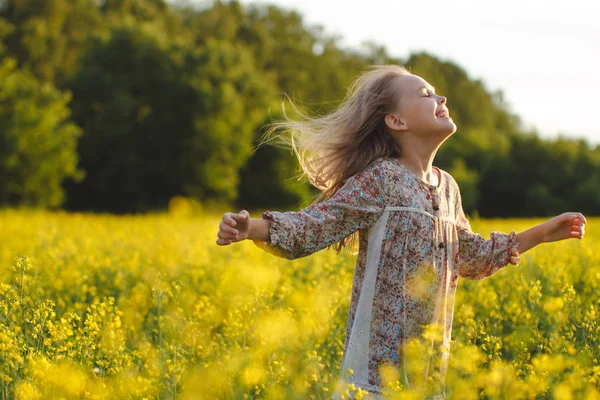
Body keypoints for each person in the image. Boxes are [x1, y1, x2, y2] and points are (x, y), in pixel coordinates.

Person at [215, 65, 587, 399]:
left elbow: (470, 257)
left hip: (427, 379)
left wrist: (540, 233)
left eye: (437, 93)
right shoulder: (381, 179)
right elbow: (315, 225)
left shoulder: (449, 188)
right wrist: (251, 228)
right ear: (396, 121)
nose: (440, 98)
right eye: (426, 95)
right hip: (375, 379)